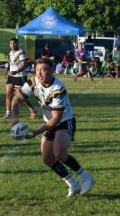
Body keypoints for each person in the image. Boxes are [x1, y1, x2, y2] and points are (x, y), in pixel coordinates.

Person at [10, 58, 94, 197]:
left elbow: (56, 118)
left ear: (52, 70)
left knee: (59, 153)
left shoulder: (58, 89)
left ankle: (86, 177)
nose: (39, 74)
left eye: (43, 70)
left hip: (64, 121)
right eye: (37, 70)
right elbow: (16, 99)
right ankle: (72, 184)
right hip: (49, 122)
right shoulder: (33, 81)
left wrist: (36, 132)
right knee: (47, 158)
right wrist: (15, 121)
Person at [3, 38, 37, 120]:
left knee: (21, 96)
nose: (12, 45)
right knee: (8, 94)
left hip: (20, 76)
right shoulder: (10, 52)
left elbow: (24, 64)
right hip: (11, 76)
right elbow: (10, 64)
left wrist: (16, 71)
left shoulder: (21, 52)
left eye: (14, 43)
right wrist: (7, 72)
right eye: (11, 43)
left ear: (17, 44)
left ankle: (33, 109)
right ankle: (8, 113)